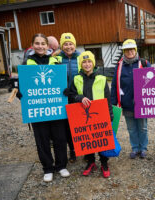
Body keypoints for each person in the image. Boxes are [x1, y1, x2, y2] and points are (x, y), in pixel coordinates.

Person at [17, 33, 70, 182]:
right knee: (42, 139)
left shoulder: (56, 61)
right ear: (33, 45)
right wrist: (20, 93)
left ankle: (61, 166)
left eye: (43, 43)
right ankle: (47, 168)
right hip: (38, 109)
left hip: (56, 107)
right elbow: (22, 83)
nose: (40, 46)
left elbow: (63, 80)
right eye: (37, 43)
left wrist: (66, 90)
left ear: (48, 46)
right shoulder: (28, 63)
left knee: (60, 138)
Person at [68, 51, 113, 178]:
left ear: (93, 63)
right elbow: (71, 95)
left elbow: (107, 98)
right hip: (83, 115)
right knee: (87, 141)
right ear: (80, 64)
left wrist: (110, 115)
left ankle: (104, 163)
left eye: (89, 62)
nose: (87, 64)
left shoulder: (101, 78)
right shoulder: (76, 79)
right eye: (84, 62)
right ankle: (91, 161)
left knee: (102, 140)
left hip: (100, 114)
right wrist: (79, 97)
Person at [111, 39, 150, 159]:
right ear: (124, 51)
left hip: (142, 104)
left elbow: (154, 81)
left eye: (132, 49)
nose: (130, 52)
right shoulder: (119, 66)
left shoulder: (144, 63)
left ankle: (143, 148)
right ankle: (135, 148)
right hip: (127, 103)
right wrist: (113, 104)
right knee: (132, 128)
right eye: (127, 50)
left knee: (143, 127)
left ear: (136, 50)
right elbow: (114, 85)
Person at [57, 33, 80, 163]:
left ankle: (82, 148)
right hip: (62, 97)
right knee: (67, 127)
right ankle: (72, 151)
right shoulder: (57, 59)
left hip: (76, 96)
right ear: (62, 46)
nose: (68, 46)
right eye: (65, 44)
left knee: (78, 124)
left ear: (74, 45)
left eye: (70, 43)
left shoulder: (80, 57)